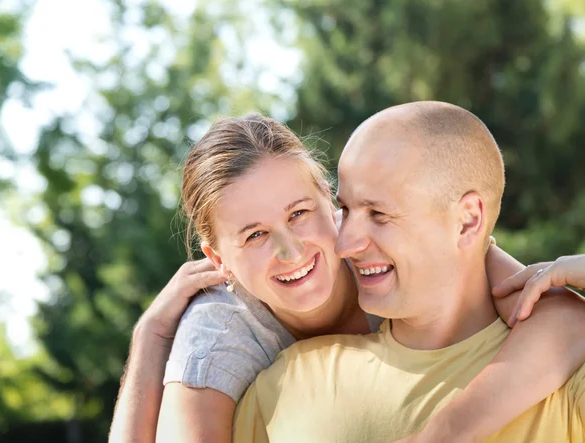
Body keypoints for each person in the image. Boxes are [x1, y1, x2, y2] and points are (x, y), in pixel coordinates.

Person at [109, 114, 585, 443]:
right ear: (218, 260)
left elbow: (553, 315)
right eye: (254, 235)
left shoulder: (372, 248)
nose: (290, 251)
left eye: (299, 214)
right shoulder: (219, 334)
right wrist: (151, 335)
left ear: (331, 203)